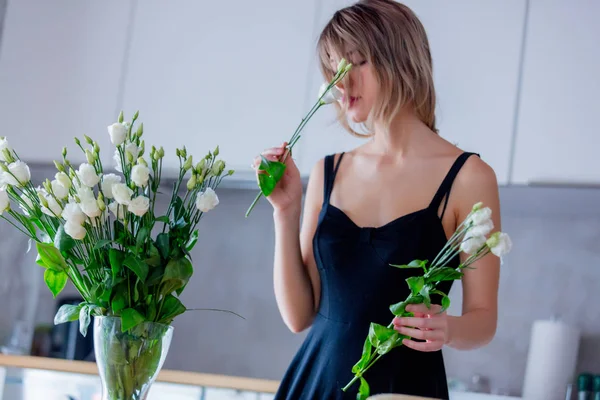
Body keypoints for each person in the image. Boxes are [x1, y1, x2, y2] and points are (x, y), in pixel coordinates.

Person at [253, 1, 501, 398]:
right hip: (315, 384)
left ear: (401, 59)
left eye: (356, 64)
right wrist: (285, 211)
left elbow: (483, 320)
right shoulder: (326, 172)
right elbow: (299, 317)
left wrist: (449, 328)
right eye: (333, 71)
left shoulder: (469, 178)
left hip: (406, 389)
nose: (340, 84)